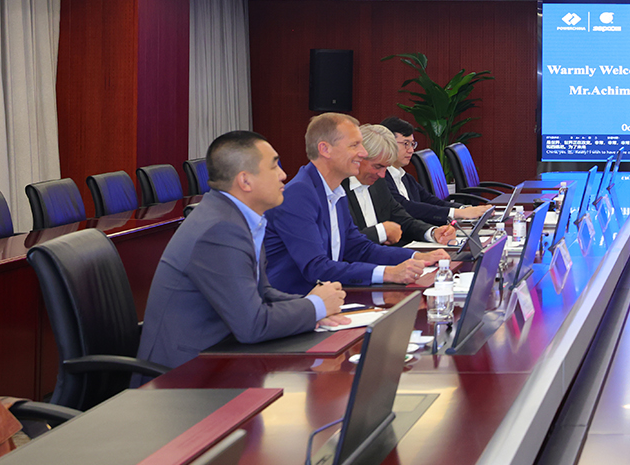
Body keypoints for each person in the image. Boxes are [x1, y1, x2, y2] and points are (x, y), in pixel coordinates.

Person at [138, 130, 349, 370]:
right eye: (274, 167)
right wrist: (314, 307)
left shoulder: (235, 217)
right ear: (245, 181)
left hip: (222, 354)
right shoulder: (220, 230)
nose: (283, 175)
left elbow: (262, 291)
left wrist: (314, 306)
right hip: (185, 372)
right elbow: (253, 326)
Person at [264, 112, 445, 296]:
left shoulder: (335, 191)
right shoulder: (298, 194)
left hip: (329, 298)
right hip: (296, 303)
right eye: (354, 145)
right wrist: (388, 273)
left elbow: (359, 248)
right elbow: (316, 267)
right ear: (325, 149)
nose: (363, 152)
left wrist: (417, 257)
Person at [347, 124, 458, 248]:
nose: (382, 175)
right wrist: (381, 231)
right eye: (378, 166)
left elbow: (402, 219)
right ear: (359, 158)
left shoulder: (378, 183)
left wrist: (432, 233)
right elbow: (346, 243)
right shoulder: (338, 190)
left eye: (386, 167)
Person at [378, 117, 489, 222]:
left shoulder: (405, 177)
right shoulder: (380, 179)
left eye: (412, 144)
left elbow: (430, 200)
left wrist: (464, 209)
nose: (411, 150)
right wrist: (457, 213)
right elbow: (406, 207)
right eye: (405, 144)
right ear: (388, 144)